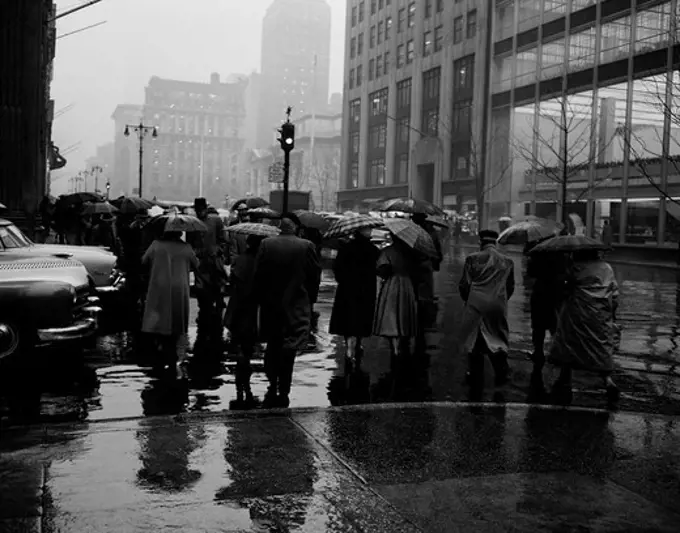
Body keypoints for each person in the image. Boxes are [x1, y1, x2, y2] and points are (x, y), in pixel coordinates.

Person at [253, 213, 321, 408]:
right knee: (290, 346)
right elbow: (314, 275)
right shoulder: (306, 246)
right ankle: (284, 387)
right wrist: (310, 299)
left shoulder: (266, 244)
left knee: (273, 343)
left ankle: (272, 381)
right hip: (296, 302)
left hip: (271, 303)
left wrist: (259, 297)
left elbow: (259, 274)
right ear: (296, 228)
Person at [548, 249, 620, 406]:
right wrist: (611, 312)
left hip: (577, 311)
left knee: (570, 342)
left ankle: (564, 378)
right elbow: (614, 293)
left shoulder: (575, 267)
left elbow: (564, 288)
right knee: (600, 346)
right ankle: (607, 381)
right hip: (599, 313)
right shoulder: (607, 268)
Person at [458, 229, 515, 394]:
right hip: (497, 303)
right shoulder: (507, 261)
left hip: (476, 301)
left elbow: (464, 285)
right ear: (495, 242)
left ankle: (475, 375)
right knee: (497, 335)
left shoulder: (472, 259)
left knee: (474, 337)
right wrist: (501, 300)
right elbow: (510, 287)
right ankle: (501, 371)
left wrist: (468, 300)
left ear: (481, 242)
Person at [141, 231, 203, 378]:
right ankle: (172, 342)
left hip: (159, 285)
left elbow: (144, 261)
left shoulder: (156, 245)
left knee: (158, 312)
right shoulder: (186, 247)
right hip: (179, 287)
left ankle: (160, 341)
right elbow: (197, 264)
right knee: (176, 314)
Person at [224, 234, 265, 407]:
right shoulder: (262, 261)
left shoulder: (240, 259)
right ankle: (245, 356)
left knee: (239, 331)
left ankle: (241, 356)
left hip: (238, 302)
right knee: (250, 332)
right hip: (254, 303)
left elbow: (232, 279)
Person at [329, 227, 380, 362]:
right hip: (366, 288)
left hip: (347, 288)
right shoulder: (373, 250)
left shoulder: (346, 248)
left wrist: (342, 279)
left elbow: (337, 267)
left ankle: (349, 346)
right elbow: (378, 267)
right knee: (362, 316)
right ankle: (358, 342)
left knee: (348, 316)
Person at [525, 243, 568, 390]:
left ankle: (538, 352)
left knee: (538, 325)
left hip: (540, 292)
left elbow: (530, 273)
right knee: (554, 325)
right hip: (556, 293)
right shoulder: (561, 256)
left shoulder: (537, 255)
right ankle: (559, 353)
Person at [188, 197, 228, 355]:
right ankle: (205, 311)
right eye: (198, 209)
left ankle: (216, 310)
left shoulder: (216, 221)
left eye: (201, 208)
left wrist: (219, 250)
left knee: (216, 287)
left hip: (214, 261)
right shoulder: (192, 224)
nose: (200, 211)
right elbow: (190, 244)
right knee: (202, 291)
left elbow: (223, 240)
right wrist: (196, 254)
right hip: (201, 263)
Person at [372, 235, 419, 359]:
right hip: (407, 284)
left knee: (392, 313)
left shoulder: (387, 252)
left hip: (392, 284)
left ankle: (395, 347)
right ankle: (402, 341)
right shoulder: (411, 252)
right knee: (404, 313)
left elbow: (380, 269)